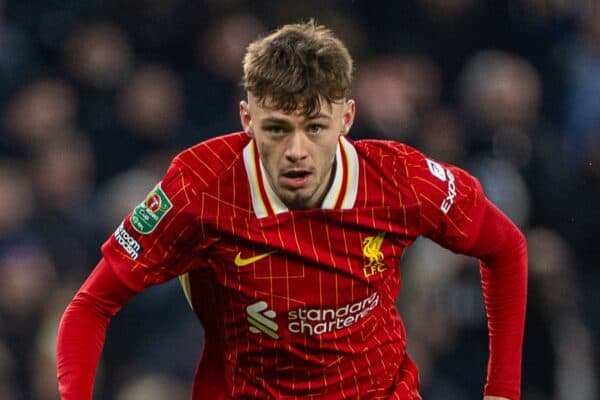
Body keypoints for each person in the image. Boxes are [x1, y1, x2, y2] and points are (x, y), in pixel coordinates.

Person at [56, 21, 527, 400]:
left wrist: (502, 390)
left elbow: (505, 247)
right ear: (247, 119)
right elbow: (91, 306)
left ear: (347, 118)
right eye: (277, 128)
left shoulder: (401, 179)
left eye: (316, 127)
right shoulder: (202, 186)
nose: (296, 150)